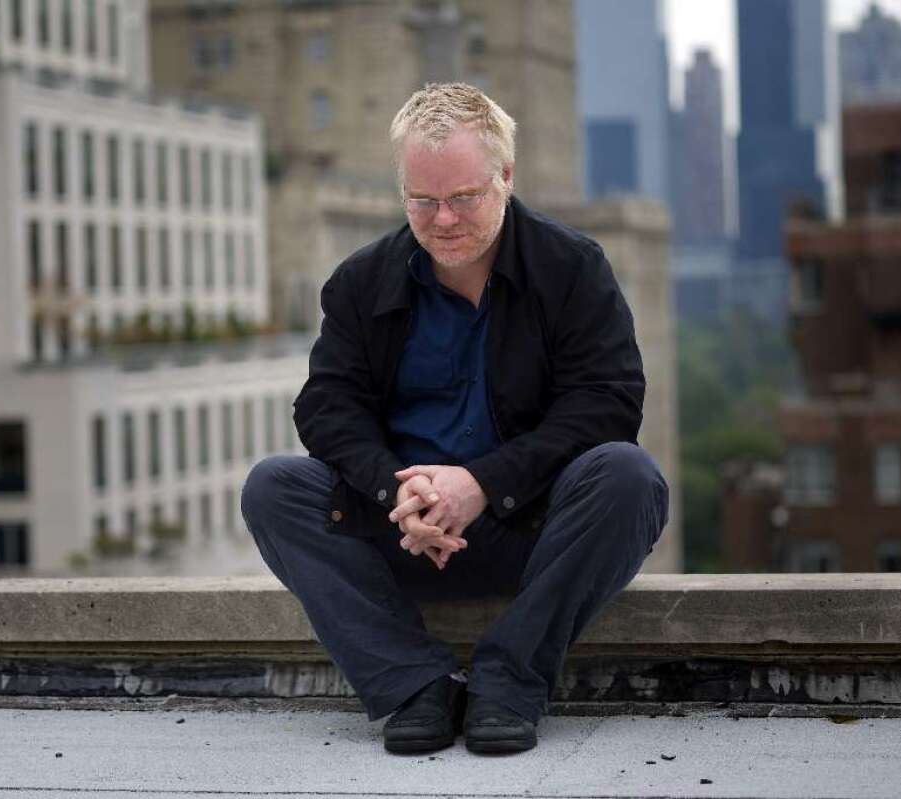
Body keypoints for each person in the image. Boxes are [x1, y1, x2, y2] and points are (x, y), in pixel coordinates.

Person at [240, 83, 669, 756]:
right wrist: (395, 489)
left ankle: (510, 679)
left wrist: (481, 483)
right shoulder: (360, 280)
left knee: (629, 476)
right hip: (402, 531)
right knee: (272, 487)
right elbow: (326, 405)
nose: (442, 220)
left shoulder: (572, 268)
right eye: (423, 199)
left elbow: (609, 401)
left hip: (530, 527)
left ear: (505, 176)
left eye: (464, 197)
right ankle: (416, 684)